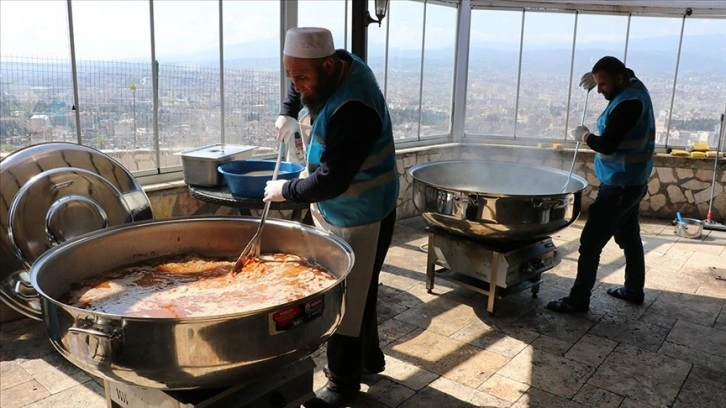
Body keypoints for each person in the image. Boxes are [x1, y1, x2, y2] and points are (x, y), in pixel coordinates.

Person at [264, 27, 399, 407]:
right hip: (338, 207)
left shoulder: (355, 107)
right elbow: (300, 76)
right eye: (290, 74)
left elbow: (331, 180)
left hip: (363, 213)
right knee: (363, 287)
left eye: (303, 78)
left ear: (328, 66)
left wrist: (284, 190)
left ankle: (342, 384)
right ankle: (369, 361)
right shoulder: (332, 62)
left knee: (347, 299)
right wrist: (287, 110)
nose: (297, 83)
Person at [547, 56, 655, 313]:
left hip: (619, 185)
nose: (599, 90)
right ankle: (633, 290)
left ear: (619, 80)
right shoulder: (635, 86)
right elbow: (627, 69)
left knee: (590, 243)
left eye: (603, 84)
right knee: (630, 238)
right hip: (634, 182)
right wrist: (595, 74)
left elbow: (607, 144)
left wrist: (584, 136)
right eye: (597, 83)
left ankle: (578, 300)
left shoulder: (627, 105)